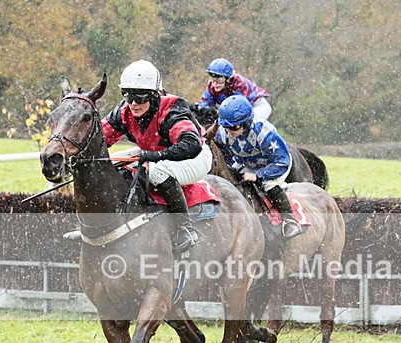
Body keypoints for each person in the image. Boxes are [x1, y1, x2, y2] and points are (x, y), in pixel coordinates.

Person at [101, 60, 212, 253]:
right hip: (153, 153)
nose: (134, 103)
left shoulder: (171, 109)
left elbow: (191, 145)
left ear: (155, 95)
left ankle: (185, 228)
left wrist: (157, 155)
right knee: (109, 163)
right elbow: (100, 139)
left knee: (157, 172)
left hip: (194, 157)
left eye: (140, 96)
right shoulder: (124, 111)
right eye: (128, 95)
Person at [214, 95, 301, 239]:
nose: (230, 131)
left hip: (274, 164)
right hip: (247, 163)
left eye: (234, 127)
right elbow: (224, 155)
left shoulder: (265, 133)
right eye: (227, 126)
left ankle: (290, 220)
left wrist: (259, 176)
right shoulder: (223, 133)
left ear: (247, 122)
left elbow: (282, 161)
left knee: (269, 185)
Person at [198, 58, 272, 122]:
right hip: (242, 109)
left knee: (245, 125)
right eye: (212, 79)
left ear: (228, 79)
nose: (215, 84)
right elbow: (204, 104)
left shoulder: (239, 84)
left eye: (219, 80)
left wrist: (217, 112)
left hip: (258, 106)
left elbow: (237, 109)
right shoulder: (212, 85)